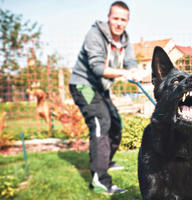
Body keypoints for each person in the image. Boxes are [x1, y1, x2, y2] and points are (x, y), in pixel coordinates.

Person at [69, 1, 141, 194]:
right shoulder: (95, 35)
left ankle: (105, 160)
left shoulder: (125, 40)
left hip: (101, 89)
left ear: (128, 21)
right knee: (101, 121)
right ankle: (100, 180)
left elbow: (131, 61)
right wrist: (123, 74)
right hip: (83, 85)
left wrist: (134, 71)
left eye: (123, 19)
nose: (119, 23)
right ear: (109, 18)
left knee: (116, 124)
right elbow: (97, 67)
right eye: (115, 18)